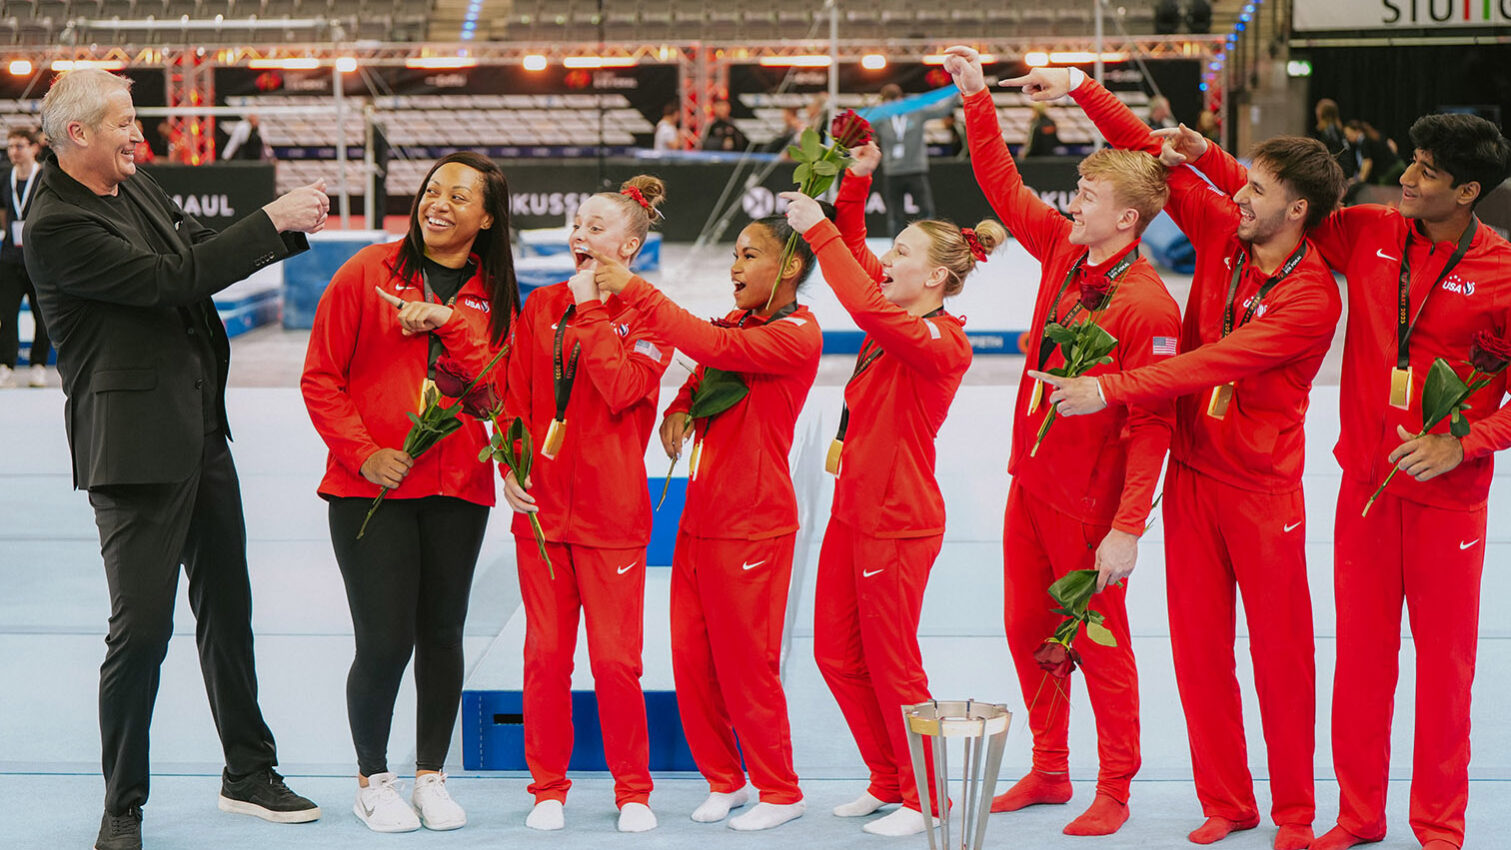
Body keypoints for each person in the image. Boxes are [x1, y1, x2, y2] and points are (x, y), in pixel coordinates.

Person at [1016, 67, 1346, 850]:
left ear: (1294, 211)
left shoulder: (1310, 299)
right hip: (1193, 479)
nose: (1235, 195)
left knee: (1280, 660)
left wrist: (1111, 390)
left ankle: (1294, 812)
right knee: (1199, 654)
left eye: (1255, 188)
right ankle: (1227, 801)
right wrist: (1079, 87)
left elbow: (1210, 365)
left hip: (1262, 491)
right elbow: (1152, 159)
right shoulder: (1221, 236)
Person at [23, 67, 329, 850]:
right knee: (143, 630)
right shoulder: (57, 223)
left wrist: (287, 231)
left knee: (229, 610)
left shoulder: (139, 190)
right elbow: (173, 280)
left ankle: (248, 772)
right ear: (79, 134)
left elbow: (196, 249)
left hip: (199, 431)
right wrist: (269, 219)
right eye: (124, 121)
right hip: (133, 451)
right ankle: (121, 804)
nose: (138, 133)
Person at [944, 45, 1181, 837]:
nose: (1070, 203)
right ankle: (1049, 768)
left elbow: (1153, 422)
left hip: (1090, 505)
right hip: (1031, 483)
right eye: (1074, 191)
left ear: (1127, 219)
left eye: (1085, 195)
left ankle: (1114, 784)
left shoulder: (1147, 307)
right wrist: (977, 96)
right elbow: (1001, 185)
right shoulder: (1060, 249)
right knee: (1026, 631)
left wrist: (1126, 527)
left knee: (1098, 646)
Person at [1299, 115, 1511, 850]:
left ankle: (1438, 827)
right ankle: (1357, 817)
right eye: (1411, 161)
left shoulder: (1503, 276)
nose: (1407, 179)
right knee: (1358, 663)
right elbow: (1261, 200)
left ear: (1468, 191)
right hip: (1364, 492)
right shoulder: (1365, 230)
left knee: (1444, 673)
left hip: (1448, 504)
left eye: (1424, 170)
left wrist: (1468, 443)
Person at [301, 152, 519, 834]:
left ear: (485, 219)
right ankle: (374, 779)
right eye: (433, 189)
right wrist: (365, 455)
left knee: (443, 634)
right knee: (386, 639)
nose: (440, 201)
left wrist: (448, 322)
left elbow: (495, 396)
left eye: (459, 195)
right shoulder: (367, 273)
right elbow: (320, 378)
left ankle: (431, 776)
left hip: (458, 487)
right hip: (370, 493)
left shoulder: (494, 293)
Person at [586, 213, 825, 832]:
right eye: (735, 255)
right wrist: (678, 408)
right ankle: (726, 779)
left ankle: (781, 789)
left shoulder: (798, 334)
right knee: (692, 662)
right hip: (701, 518)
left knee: (747, 666)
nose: (735, 266)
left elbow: (714, 348)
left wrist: (636, 290)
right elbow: (704, 372)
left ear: (789, 267)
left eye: (750, 255)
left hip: (754, 523)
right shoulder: (743, 321)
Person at [782, 164, 999, 839]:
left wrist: (814, 231)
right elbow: (854, 255)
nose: (887, 258)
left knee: (892, 661)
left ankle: (929, 796)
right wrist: (853, 183)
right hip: (854, 508)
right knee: (834, 654)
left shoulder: (939, 341)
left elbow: (855, 290)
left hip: (898, 521)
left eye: (901, 250)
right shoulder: (897, 312)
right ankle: (886, 779)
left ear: (934, 277)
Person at [501, 175, 673, 834]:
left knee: (614, 662)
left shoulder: (654, 313)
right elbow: (517, 398)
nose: (580, 237)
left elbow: (624, 388)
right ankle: (547, 786)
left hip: (612, 517)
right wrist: (508, 465)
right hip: (542, 514)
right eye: (577, 225)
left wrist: (593, 310)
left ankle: (633, 790)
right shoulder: (541, 304)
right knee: (544, 657)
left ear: (628, 244)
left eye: (595, 227)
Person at [873, 83, 959, 236]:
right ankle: (897, 249)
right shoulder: (882, 118)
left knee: (926, 212)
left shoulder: (916, 111)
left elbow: (941, 110)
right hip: (892, 172)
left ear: (901, 99)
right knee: (895, 216)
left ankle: (928, 245)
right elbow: (863, 125)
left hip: (915, 170)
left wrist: (957, 92)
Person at [0, 125, 48, 388]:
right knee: (6, 314)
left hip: (39, 259)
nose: (13, 152)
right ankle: (6, 365)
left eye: (19, 146)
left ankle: (38, 365)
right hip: (9, 257)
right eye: (10, 146)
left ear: (34, 148)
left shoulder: (46, 177)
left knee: (43, 315)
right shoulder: (5, 176)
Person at [1344, 119, 1405, 192]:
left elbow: (1367, 163)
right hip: (1399, 164)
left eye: (1348, 134)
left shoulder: (1364, 141)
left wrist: (1359, 181)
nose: (1347, 137)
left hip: (1387, 173)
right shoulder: (1374, 135)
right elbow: (1392, 145)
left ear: (1357, 131)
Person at [1312, 98, 1356, 180]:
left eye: (1318, 108)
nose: (1316, 111)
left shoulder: (1330, 131)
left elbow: (1331, 155)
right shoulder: (1337, 129)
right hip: (1342, 170)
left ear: (1322, 113)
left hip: (1337, 172)